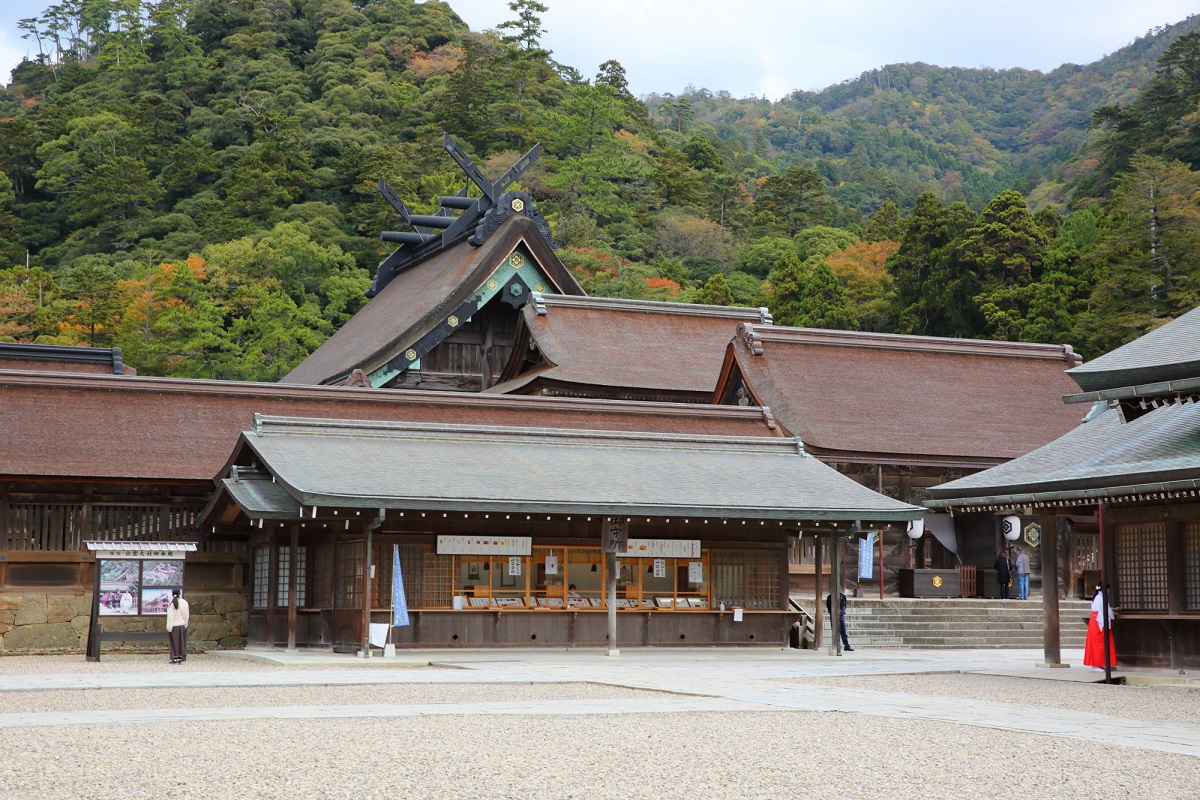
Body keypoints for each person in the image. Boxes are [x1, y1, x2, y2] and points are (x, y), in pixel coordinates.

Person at [1083, 583, 1116, 670]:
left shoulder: (1097, 597)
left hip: (1095, 620)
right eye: (1107, 589)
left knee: (1096, 643)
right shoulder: (1101, 598)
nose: (1108, 591)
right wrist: (1109, 619)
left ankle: (1098, 664)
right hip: (1099, 621)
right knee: (1100, 643)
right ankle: (1097, 664)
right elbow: (1105, 611)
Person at [166, 589, 190, 664]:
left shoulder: (171, 604)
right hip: (182, 624)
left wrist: (169, 627)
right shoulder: (184, 602)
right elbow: (186, 615)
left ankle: (175, 658)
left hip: (174, 625)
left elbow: (170, 617)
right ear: (180, 594)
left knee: (174, 642)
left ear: (172, 594)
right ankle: (180, 658)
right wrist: (185, 624)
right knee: (181, 642)